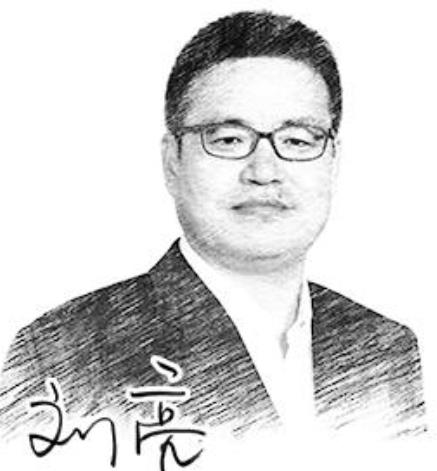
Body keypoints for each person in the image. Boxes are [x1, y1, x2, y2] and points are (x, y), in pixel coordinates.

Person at [0, 10, 426, 449]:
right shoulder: (67, 350)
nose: (264, 171)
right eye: (228, 140)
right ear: (172, 161)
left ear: (333, 161)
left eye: (298, 140)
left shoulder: (383, 347)